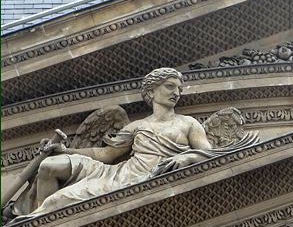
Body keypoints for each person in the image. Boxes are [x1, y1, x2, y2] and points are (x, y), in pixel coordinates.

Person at [20, 68, 213, 218]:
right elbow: (106, 155)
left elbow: (210, 155)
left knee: (58, 200)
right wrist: (65, 149)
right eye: (170, 86)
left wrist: (188, 158)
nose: (176, 92)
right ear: (152, 91)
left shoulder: (188, 123)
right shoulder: (137, 126)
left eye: (179, 88)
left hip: (148, 178)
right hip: (122, 175)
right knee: (48, 168)